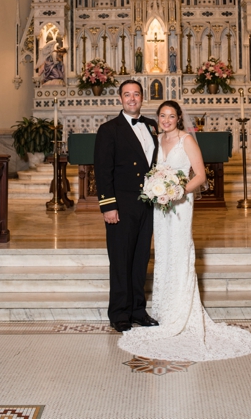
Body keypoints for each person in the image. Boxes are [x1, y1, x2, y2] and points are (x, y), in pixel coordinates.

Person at [118, 100, 251, 361]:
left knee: (179, 250)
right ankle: (165, 311)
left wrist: (176, 191)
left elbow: (201, 175)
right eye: (162, 115)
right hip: (160, 207)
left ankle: (182, 310)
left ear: (178, 118)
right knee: (163, 253)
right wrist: (157, 190)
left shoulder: (186, 140)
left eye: (171, 116)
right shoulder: (157, 141)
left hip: (180, 204)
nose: (166, 120)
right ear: (158, 118)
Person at [93, 80, 160, 333]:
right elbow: (103, 171)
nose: (132, 99)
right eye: (127, 95)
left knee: (141, 258)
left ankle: (138, 311)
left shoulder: (152, 126)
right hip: (121, 204)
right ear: (120, 99)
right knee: (121, 259)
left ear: (142, 98)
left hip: (147, 203)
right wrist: (108, 206)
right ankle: (119, 313)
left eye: (136, 94)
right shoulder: (109, 129)